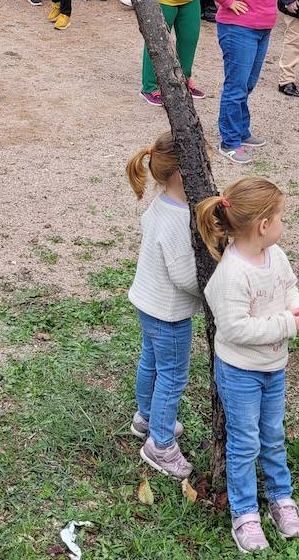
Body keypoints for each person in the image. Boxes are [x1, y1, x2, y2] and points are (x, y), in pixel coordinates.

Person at [197, 177, 299, 552]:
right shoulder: (233, 273)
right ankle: (245, 513)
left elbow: (289, 285)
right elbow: (234, 329)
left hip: (273, 367)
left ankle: (282, 498)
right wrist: (287, 325)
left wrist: (297, 308)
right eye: (281, 217)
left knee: (273, 435)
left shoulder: (275, 256)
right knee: (245, 442)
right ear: (263, 225)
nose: (284, 224)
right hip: (240, 372)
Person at [125, 130, 202, 480]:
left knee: (151, 361)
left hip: (147, 301)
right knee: (172, 376)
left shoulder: (161, 204)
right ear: (185, 173)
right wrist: (212, 289)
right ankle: (160, 443)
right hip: (169, 313)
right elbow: (186, 276)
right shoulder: (178, 220)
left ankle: (146, 416)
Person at [198, 0, 280, 164]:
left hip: (261, 28)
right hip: (239, 30)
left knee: (248, 83)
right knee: (236, 86)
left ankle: (242, 131)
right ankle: (229, 140)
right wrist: (227, 0)